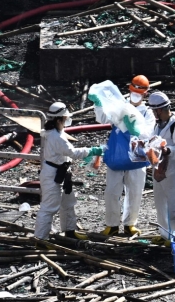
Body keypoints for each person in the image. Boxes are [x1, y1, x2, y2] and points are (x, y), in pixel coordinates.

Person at [92, 75, 156, 237]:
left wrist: (135, 128)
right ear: (129, 89)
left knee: (135, 192)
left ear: (145, 94)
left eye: (139, 92)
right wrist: (99, 104)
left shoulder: (148, 113)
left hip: (137, 155)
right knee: (112, 192)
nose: (135, 95)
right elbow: (102, 118)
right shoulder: (120, 106)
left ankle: (130, 224)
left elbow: (148, 133)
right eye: (133, 91)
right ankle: (112, 224)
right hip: (117, 154)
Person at [34, 102, 103, 240]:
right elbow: (71, 152)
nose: (66, 122)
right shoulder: (56, 136)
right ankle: (40, 239)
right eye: (65, 119)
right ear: (59, 120)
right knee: (49, 207)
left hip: (61, 172)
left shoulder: (56, 132)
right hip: (53, 174)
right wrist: (92, 150)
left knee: (68, 203)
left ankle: (69, 231)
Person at [148, 92, 175, 245]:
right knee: (161, 204)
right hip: (160, 171)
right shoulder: (158, 125)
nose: (154, 114)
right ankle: (165, 234)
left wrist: (168, 150)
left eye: (155, 111)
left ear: (160, 110)